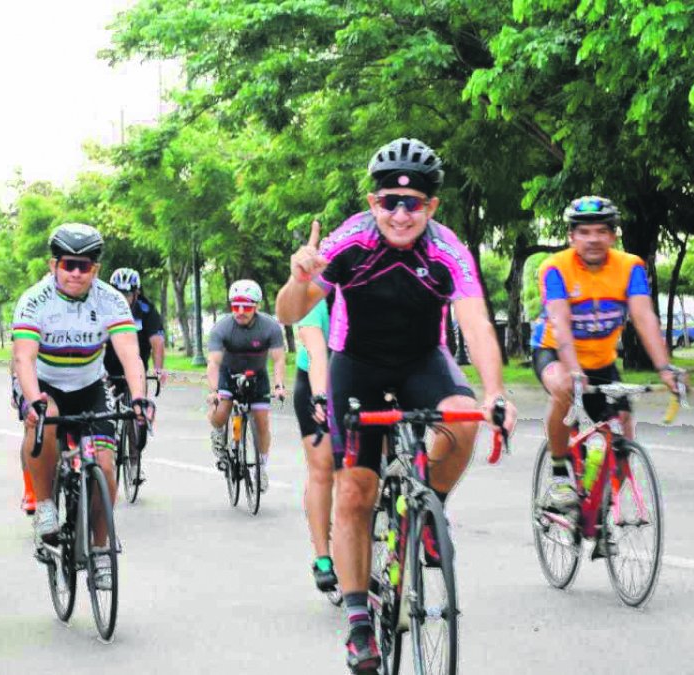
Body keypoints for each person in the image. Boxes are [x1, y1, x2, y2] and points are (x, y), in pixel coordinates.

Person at [275, 138, 516, 672]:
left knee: (463, 418)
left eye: (415, 203)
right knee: (356, 491)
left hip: (421, 360)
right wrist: (299, 277)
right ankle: (359, 618)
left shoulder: (448, 248)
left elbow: (474, 322)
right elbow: (290, 312)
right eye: (389, 201)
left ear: (432, 207)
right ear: (372, 201)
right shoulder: (348, 241)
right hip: (357, 362)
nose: (401, 213)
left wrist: (495, 391)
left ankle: (432, 509)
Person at [11, 223, 154, 590]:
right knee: (48, 418)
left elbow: (129, 354)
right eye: (68, 264)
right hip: (43, 383)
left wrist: (139, 398)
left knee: (105, 467)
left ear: (96, 270)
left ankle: (101, 549)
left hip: (90, 385)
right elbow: (24, 359)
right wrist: (33, 400)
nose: (76, 273)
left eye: (85, 266)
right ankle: (44, 504)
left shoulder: (110, 300)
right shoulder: (34, 300)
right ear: (53, 265)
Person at [530, 196, 683, 512]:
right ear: (571, 237)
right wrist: (573, 370)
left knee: (623, 431)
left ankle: (599, 508)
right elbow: (560, 323)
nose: (593, 239)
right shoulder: (555, 268)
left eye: (601, 231)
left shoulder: (630, 267)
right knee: (561, 388)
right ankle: (560, 473)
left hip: (601, 361)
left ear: (614, 236)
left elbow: (643, 317)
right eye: (584, 232)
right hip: (555, 354)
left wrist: (666, 368)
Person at [205, 279, 286, 491]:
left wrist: (279, 386)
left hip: (257, 377)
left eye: (247, 306)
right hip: (228, 375)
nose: (240, 311)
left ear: (256, 306)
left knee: (262, 422)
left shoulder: (269, 327)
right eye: (236, 306)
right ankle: (218, 431)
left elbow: (278, 359)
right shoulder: (222, 328)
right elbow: (213, 362)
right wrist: (214, 391)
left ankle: (261, 466)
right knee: (222, 412)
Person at [289, 292, 337, 594]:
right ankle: (323, 557)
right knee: (323, 467)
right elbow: (318, 353)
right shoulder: (317, 298)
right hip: (316, 379)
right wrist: (321, 398)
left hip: (365, 377)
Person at [104, 267, 167, 392]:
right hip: (108, 366)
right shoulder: (102, 309)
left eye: (126, 294)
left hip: (137, 367)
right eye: (117, 293)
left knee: (141, 403)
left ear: (136, 294)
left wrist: (158, 369)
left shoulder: (147, 310)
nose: (121, 298)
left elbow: (157, 342)